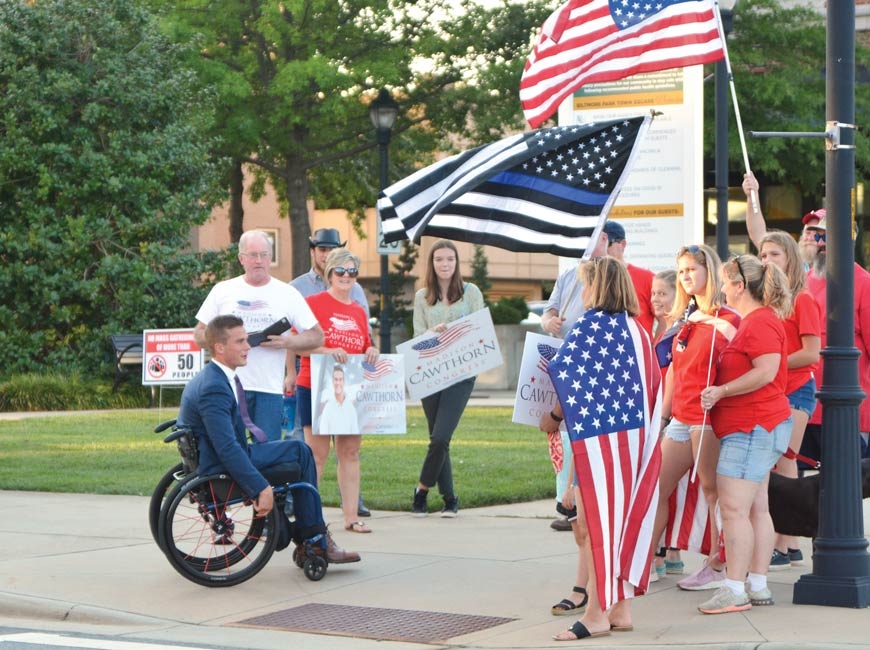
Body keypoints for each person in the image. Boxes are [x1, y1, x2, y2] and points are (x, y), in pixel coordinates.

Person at [540, 257, 662, 640]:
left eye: (585, 285)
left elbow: (566, 382)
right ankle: (621, 608)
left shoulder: (590, 326)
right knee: (622, 523)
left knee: (597, 527)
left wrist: (554, 418)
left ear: (597, 287)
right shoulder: (638, 330)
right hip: (636, 443)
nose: (582, 293)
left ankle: (595, 614)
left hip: (602, 444)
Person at [177, 314, 359, 564]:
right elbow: (227, 448)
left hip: (218, 456)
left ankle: (310, 535)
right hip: (221, 467)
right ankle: (314, 540)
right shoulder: (214, 387)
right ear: (219, 347)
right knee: (302, 452)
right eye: (240, 341)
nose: (248, 347)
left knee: (298, 449)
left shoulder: (213, 377)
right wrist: (260, 487)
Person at [744, 171, 870, 472]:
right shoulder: (797, 281)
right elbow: (763, 239)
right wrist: (752, 197)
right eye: (807, 234)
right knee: (793, 481)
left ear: (836, 238)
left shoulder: (863, 282)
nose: (808, 239)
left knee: (844, 489)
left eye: (816, 234)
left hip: (848, 413)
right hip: (796, 403)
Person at [697, 254, 793, 613]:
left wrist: (721, 391)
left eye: (724, 282)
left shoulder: (759, 323)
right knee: (755, 508)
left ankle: (735, 589)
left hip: (751, 426)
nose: (721, 288)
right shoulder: (759, 320)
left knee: (735, 509)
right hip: (758, 425)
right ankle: (756, 584)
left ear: (740, 286)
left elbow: (767, 371)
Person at [651, 244, 741, 593]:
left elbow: (740, 369)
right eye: (683, 271)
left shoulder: (731, 320)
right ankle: (644, 561)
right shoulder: (685, 319)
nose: (687, 276)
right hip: (681, 417)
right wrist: (662, 416)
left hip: (709, 417)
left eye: (692, 269)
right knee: (655, 486)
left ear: (710, 271)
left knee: (713, 491)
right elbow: (674, 370)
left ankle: (718, 565)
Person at [194, 230, 324, 441]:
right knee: (228, 449)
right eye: (252, 255)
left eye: (264, 255)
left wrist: (287, 342)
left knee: (267, 451)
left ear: (270, 258)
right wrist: (227, 342)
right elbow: (199, 335)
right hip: (229, 385)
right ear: (241, 258)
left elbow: (317, 337)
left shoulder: (287, 293)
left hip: (269, 388)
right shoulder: (223, 290)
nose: (259, 261)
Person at [540, 228, 608, 614]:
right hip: (579, 424)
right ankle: (586, 589)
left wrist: (553, 415)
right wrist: (551, 319)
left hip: (591, 426)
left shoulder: (596, 330)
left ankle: (596, 595)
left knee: (588, 516)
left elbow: (580, 386)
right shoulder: (568, 279)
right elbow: (552, 310)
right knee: (579, 515)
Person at [297, 248, 379, 534]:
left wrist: (371, 350)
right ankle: (309, 520)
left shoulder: (358, 310)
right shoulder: (313, 303)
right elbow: (297, 344)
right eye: (340, 271)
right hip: (314, 386)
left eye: (352, 272)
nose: (346, 276)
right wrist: (327, 350)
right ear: (329, 273)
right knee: (316, 455)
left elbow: (363, 344)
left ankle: (351, 517)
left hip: (350, 389)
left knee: (350, 451)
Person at [755, 230, 821, 568]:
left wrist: (772, 362)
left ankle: (784, 543)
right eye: (763, 255)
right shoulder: (767, 303)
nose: (766, 261)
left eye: (774, 255)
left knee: (785, 461)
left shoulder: (802, 299)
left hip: (796, 389)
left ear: (790, 259)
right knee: (774, 464)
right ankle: (790, 544)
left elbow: (811, 353)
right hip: (772, 390)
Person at [411, 239, 485, 518]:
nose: (445, 264)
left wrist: (455, 331)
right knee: (437, 439)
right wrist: (433, 334)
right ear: (431, 264)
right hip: (431, 372)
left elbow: (481, 329)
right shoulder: (422, 296)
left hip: (462, 373)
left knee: (441, 436)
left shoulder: (471, 292)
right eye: (439, 259)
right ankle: (450, 499)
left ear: (457, 263)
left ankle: (421, 491)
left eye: (450, 259)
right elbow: (418, 336)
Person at [649, 268, 684, 580]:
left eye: (663, 293)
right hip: (657, 412)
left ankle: (659, 555)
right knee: (664, 488)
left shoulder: (680, 330)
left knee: (662, 487)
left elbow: (675, 378)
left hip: (673, 415)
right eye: (653, 293)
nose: (655, 299)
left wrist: (662, 416)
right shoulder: (658, 329)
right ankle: (665, 553)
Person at [603, 220, 656, 337]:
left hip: (638, 351)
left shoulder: (647, 278)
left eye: (607, 243)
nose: (603, 249)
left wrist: (654, 350)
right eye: (599, 243)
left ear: (623, 244)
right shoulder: (593, 279)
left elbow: (664, 319)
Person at [318, 365, 359, 435]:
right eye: (336, 379)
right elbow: (323, 432)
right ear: (332, 381)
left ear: (344, 381)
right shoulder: (327, 408)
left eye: (340, 379)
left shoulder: (351, 408)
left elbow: (355, 432)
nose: (338, 383)